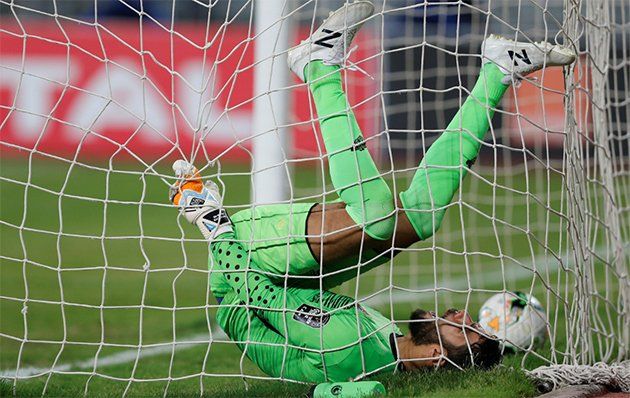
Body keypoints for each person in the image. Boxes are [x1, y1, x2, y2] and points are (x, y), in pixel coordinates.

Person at [169, 1, 575, 383]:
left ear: (436, 356)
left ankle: (319, 67)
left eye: (467, 332)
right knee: (420, 218)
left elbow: (255, 292)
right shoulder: (382, 348)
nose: (465, 316)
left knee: (378, 217)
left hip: (247, 261)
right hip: (289, 276)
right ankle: (497, 73)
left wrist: (210, 219)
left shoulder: (346, 346)